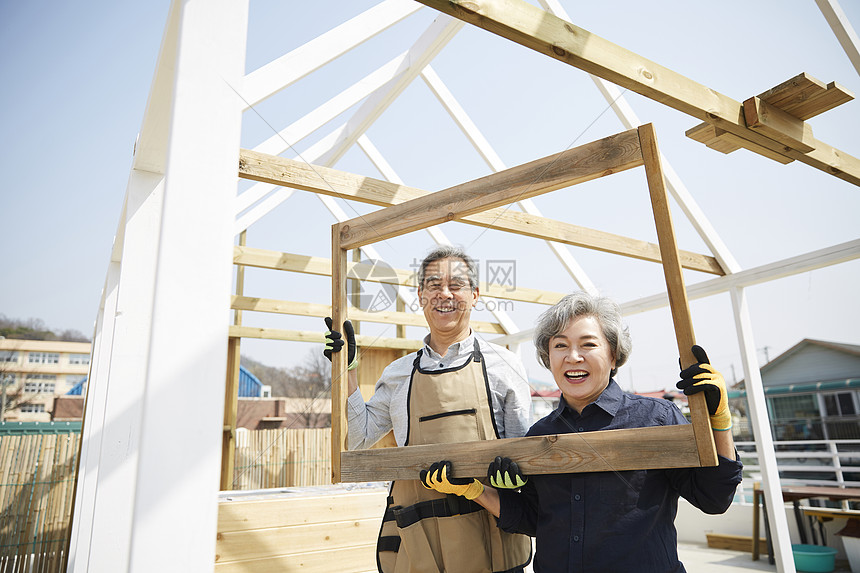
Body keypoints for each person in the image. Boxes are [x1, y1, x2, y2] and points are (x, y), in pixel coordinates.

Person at [418, 291, 742, 572]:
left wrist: (719, 422)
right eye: (560, 345)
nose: (573, 357)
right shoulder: (539, 435)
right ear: (548, 358)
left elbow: (714, 499)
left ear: (614, 355)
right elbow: (534, 519)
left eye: (588, 344)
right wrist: (476, 491)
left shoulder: (656, 418)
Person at [324, 245, 533, 573]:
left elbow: (524, 460)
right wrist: (347, 371)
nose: (444, 294)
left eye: (456, 285)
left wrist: (516, 480)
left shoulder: (505, 366)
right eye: (434, 285)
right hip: (421, 547)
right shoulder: (398, 373)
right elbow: (359, 440)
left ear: (475, 295)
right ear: (420, 296)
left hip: (492, 544)